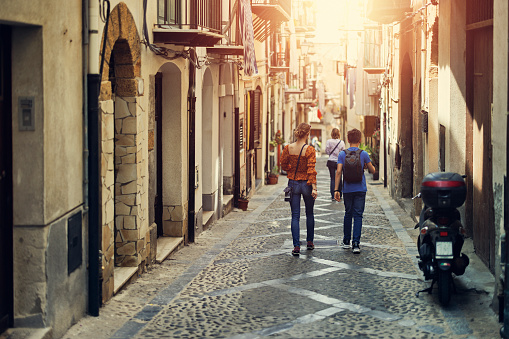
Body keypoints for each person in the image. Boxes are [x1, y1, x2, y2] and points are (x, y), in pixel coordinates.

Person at [334, 128, 376, 254]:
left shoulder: (342, 154)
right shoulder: (363, 154)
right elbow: (373, 171)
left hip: (347, 189)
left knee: (348, 213)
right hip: (360, 189)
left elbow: (338, 172)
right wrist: (367, 164)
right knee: (358, 215)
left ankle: (346, 241)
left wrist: (337, 190)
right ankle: (356, 243)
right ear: (360, 140)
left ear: (347, 140)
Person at [281, 123, 318, 256]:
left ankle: (296, 246)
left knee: (295, 215)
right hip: (307, 184)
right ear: (308, 134)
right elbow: (311, 170)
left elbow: (283, 164)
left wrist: (291, 169)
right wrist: (314, 187)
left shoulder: (288, 148)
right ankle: (309, 242)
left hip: (293, 183)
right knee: (309, 213)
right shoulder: (310, 150)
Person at [325, 128, 345, 201]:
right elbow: (343, 153)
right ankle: (340, 193)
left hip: (331, 161)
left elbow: (326, 151)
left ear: (332, 134)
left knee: (333, 178)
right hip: (339, 161)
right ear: (339, 134)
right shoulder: (341, 142)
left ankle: (333, 195)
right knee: (339, 177)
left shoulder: (329, 141)